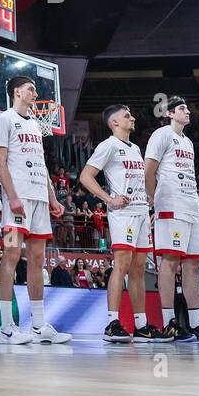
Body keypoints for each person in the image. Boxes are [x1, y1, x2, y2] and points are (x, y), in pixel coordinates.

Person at [0, 75, 71, 344]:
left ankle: (38, 325)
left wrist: (52, 198)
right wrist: (12, 197)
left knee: (38, 259)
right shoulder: (4, 119)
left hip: (38, 200)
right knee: (12, 255)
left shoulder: (36, 126)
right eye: (30, 89)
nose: (35, 94)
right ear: (17, 92)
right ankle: (6, 327)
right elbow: (0, 162)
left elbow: (42, 164)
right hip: (18, 200)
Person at [78, 104, 166, 343]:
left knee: (138, 269)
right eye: (127, 115)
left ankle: (140, 325)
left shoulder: (135, 148)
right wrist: (109, 199)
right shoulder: (108, 146)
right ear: (114, 122)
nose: (133, 118)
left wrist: (147, 197)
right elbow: (85, 176)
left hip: (139, 212)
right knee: (122, 265)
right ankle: (111, 322)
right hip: (123, 214)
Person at [145, 96, 199, 342]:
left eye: (187, 108)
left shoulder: (189, 142)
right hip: (170, 204)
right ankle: (169, 322)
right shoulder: (161, 134)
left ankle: (195, 323)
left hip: (191, 206)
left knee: (193, 264)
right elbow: (148, 170)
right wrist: (152, 200)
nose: (188, 111)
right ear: (170, 113)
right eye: (183, 108)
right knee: (170, 262)